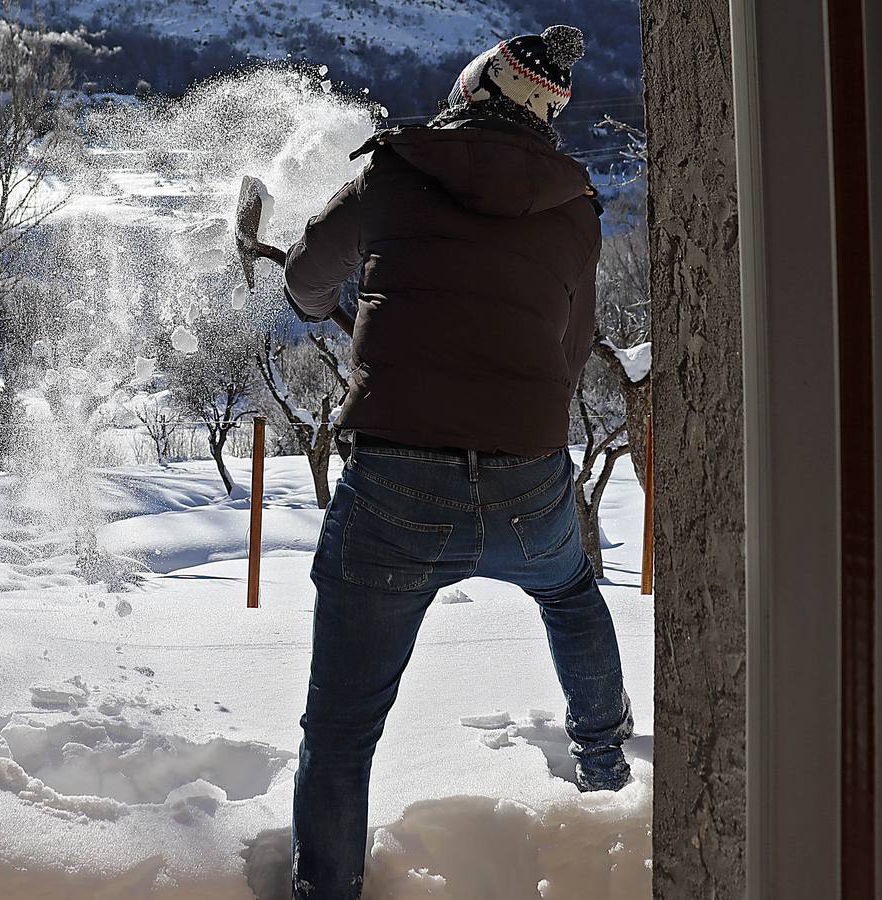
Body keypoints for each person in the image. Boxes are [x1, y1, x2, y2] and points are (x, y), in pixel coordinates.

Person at [282, 25, 634, 898]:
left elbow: (304, 278)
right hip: (529, 479)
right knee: (569, 592)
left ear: (470, 90)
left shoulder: (394, 171)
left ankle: (326, 886)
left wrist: (342, 296)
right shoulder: (577, 207)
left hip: (397, 484)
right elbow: (572, 342)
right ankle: (605, 780)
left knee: (341, 727)